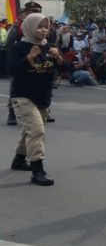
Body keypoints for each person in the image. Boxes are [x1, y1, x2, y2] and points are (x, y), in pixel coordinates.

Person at [8, 13, 69, 186]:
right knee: (37, 131)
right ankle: (38, 170)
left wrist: (58, 57)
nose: (43, 30)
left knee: (29, 131)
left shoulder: (49, 47)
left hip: (42, 97)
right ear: (28, 27)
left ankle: (19, 160)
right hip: (23, 96)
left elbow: (66, 69)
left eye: (46, 26)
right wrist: (29, 57)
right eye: (39, 26)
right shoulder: (18, 48)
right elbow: (12, 71)